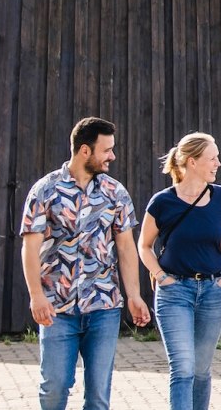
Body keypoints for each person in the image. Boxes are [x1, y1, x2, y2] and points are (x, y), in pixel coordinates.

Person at [20, 117, 151, 410]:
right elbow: (30, 246)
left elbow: (126, 247)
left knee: (98, 397)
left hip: (104, 307)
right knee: (53, 390)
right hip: (58, 309)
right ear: (84, 151)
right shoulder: (45, 190)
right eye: (106, 150)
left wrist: (134, 296)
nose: (112, 157)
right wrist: (36, 296)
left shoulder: (115, 193)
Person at [139, 132, 221, 410]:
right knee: (183, 368)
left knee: (201, 370)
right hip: (174, 293)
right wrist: (161, 277)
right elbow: (144, 246)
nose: (218, 163)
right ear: (192, 162)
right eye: (212, 158)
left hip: (213, 292)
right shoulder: (162, 202)